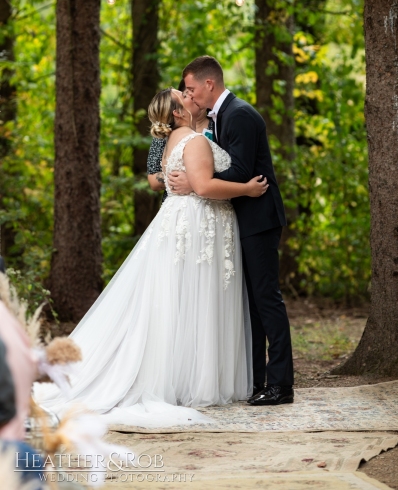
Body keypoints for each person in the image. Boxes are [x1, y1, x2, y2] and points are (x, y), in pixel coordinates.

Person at [34, 88, 268, 428]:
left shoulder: (174, 139)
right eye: (183, 96)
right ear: (177, 111)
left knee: (180, 300)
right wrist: (246, 189)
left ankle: (182, 375)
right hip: (198, 221)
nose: (190, 96)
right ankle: (194, 379)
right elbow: (203, 187)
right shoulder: (195, 140)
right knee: (197, 299)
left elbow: (185, 181)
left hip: (183, 220)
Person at [168, 56, 294, 406]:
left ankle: (281, 384)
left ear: (210, 84)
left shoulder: (239, 114)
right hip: (241, 218)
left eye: (192, 88)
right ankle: (255, 380)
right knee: (250, 304)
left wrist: (196, 184)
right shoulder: (219, 116)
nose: (189, 95)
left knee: (266, 300)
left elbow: (239, 171)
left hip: (259, 218)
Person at [147, 79, 213, 201]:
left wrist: (195, 181)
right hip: (181, 204)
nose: (194, 97)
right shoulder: (166, 131)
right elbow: (152, 180)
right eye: (187, 94)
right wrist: (184, 180)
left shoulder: (218, 123)